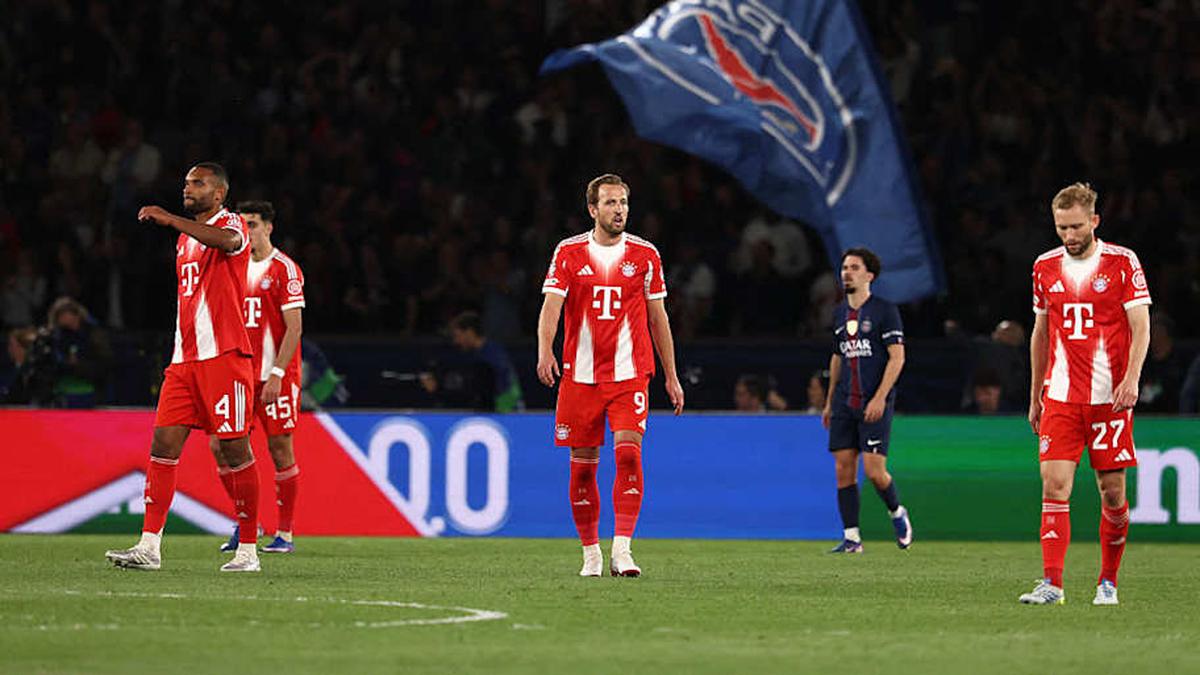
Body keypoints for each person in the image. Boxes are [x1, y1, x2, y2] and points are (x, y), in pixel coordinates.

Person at [104, 162, 261, 573]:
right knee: (163, 447)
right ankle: (149, 546)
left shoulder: (233, 224)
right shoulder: (184, 242)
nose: (188, 188)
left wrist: (171, 219)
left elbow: (227, 242)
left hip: (224, 357)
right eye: (186, 182)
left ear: (219, 193)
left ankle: (248, 551)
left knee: (234, 448)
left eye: (198, 183)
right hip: (184, 361)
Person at [537, 173, 684, 578]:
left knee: (628, 454)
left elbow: (659, 318)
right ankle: (591, 555)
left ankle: (622, 550)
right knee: (583, 467)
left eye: (623, 203)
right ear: (592, 209)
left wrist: (671, 375)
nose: (619, 210)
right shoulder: (568, 253)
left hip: (630, 375)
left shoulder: (645, 255)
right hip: (580, 377)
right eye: (610, 203)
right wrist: (544, 350)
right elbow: (551, 307)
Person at [1020, 183, 1151, 606]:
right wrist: (1035, 392)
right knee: (1054, 485)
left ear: (1094, 221)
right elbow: (1041, 333)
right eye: (1062, 228)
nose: (1069, 235)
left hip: (1109, 398)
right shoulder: (1044, 267)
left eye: (1076, 226)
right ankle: (1052, 584)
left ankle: (1108, 580)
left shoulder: (1121, 262)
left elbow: (1140, 326)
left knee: (1112, 491)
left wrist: (1131, 378)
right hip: (1060, 395)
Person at [209, 201, 305, 555]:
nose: (246, 231)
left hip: (274, 376)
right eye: (242, 225)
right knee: (221, 446)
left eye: (252, 225)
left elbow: (294, 328)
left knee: (280, 449)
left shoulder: (284, 269)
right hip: (237, 376)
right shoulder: (229, 265)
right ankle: (246, 521)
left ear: (268, 227)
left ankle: (285, 534)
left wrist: (278, 374)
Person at [822, 247, 913, 553]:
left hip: (875, 401)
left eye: (854, 267)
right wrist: (829, 400)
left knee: (875, 472)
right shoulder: (838, 314)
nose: (847, 272)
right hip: (844, 402)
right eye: (844, 267)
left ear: (869, 275)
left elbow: (897, 358)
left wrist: (880, 397)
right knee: (843, 467)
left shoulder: (885, 311)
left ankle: (897, 512)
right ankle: (852, 538)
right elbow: (837, 357)